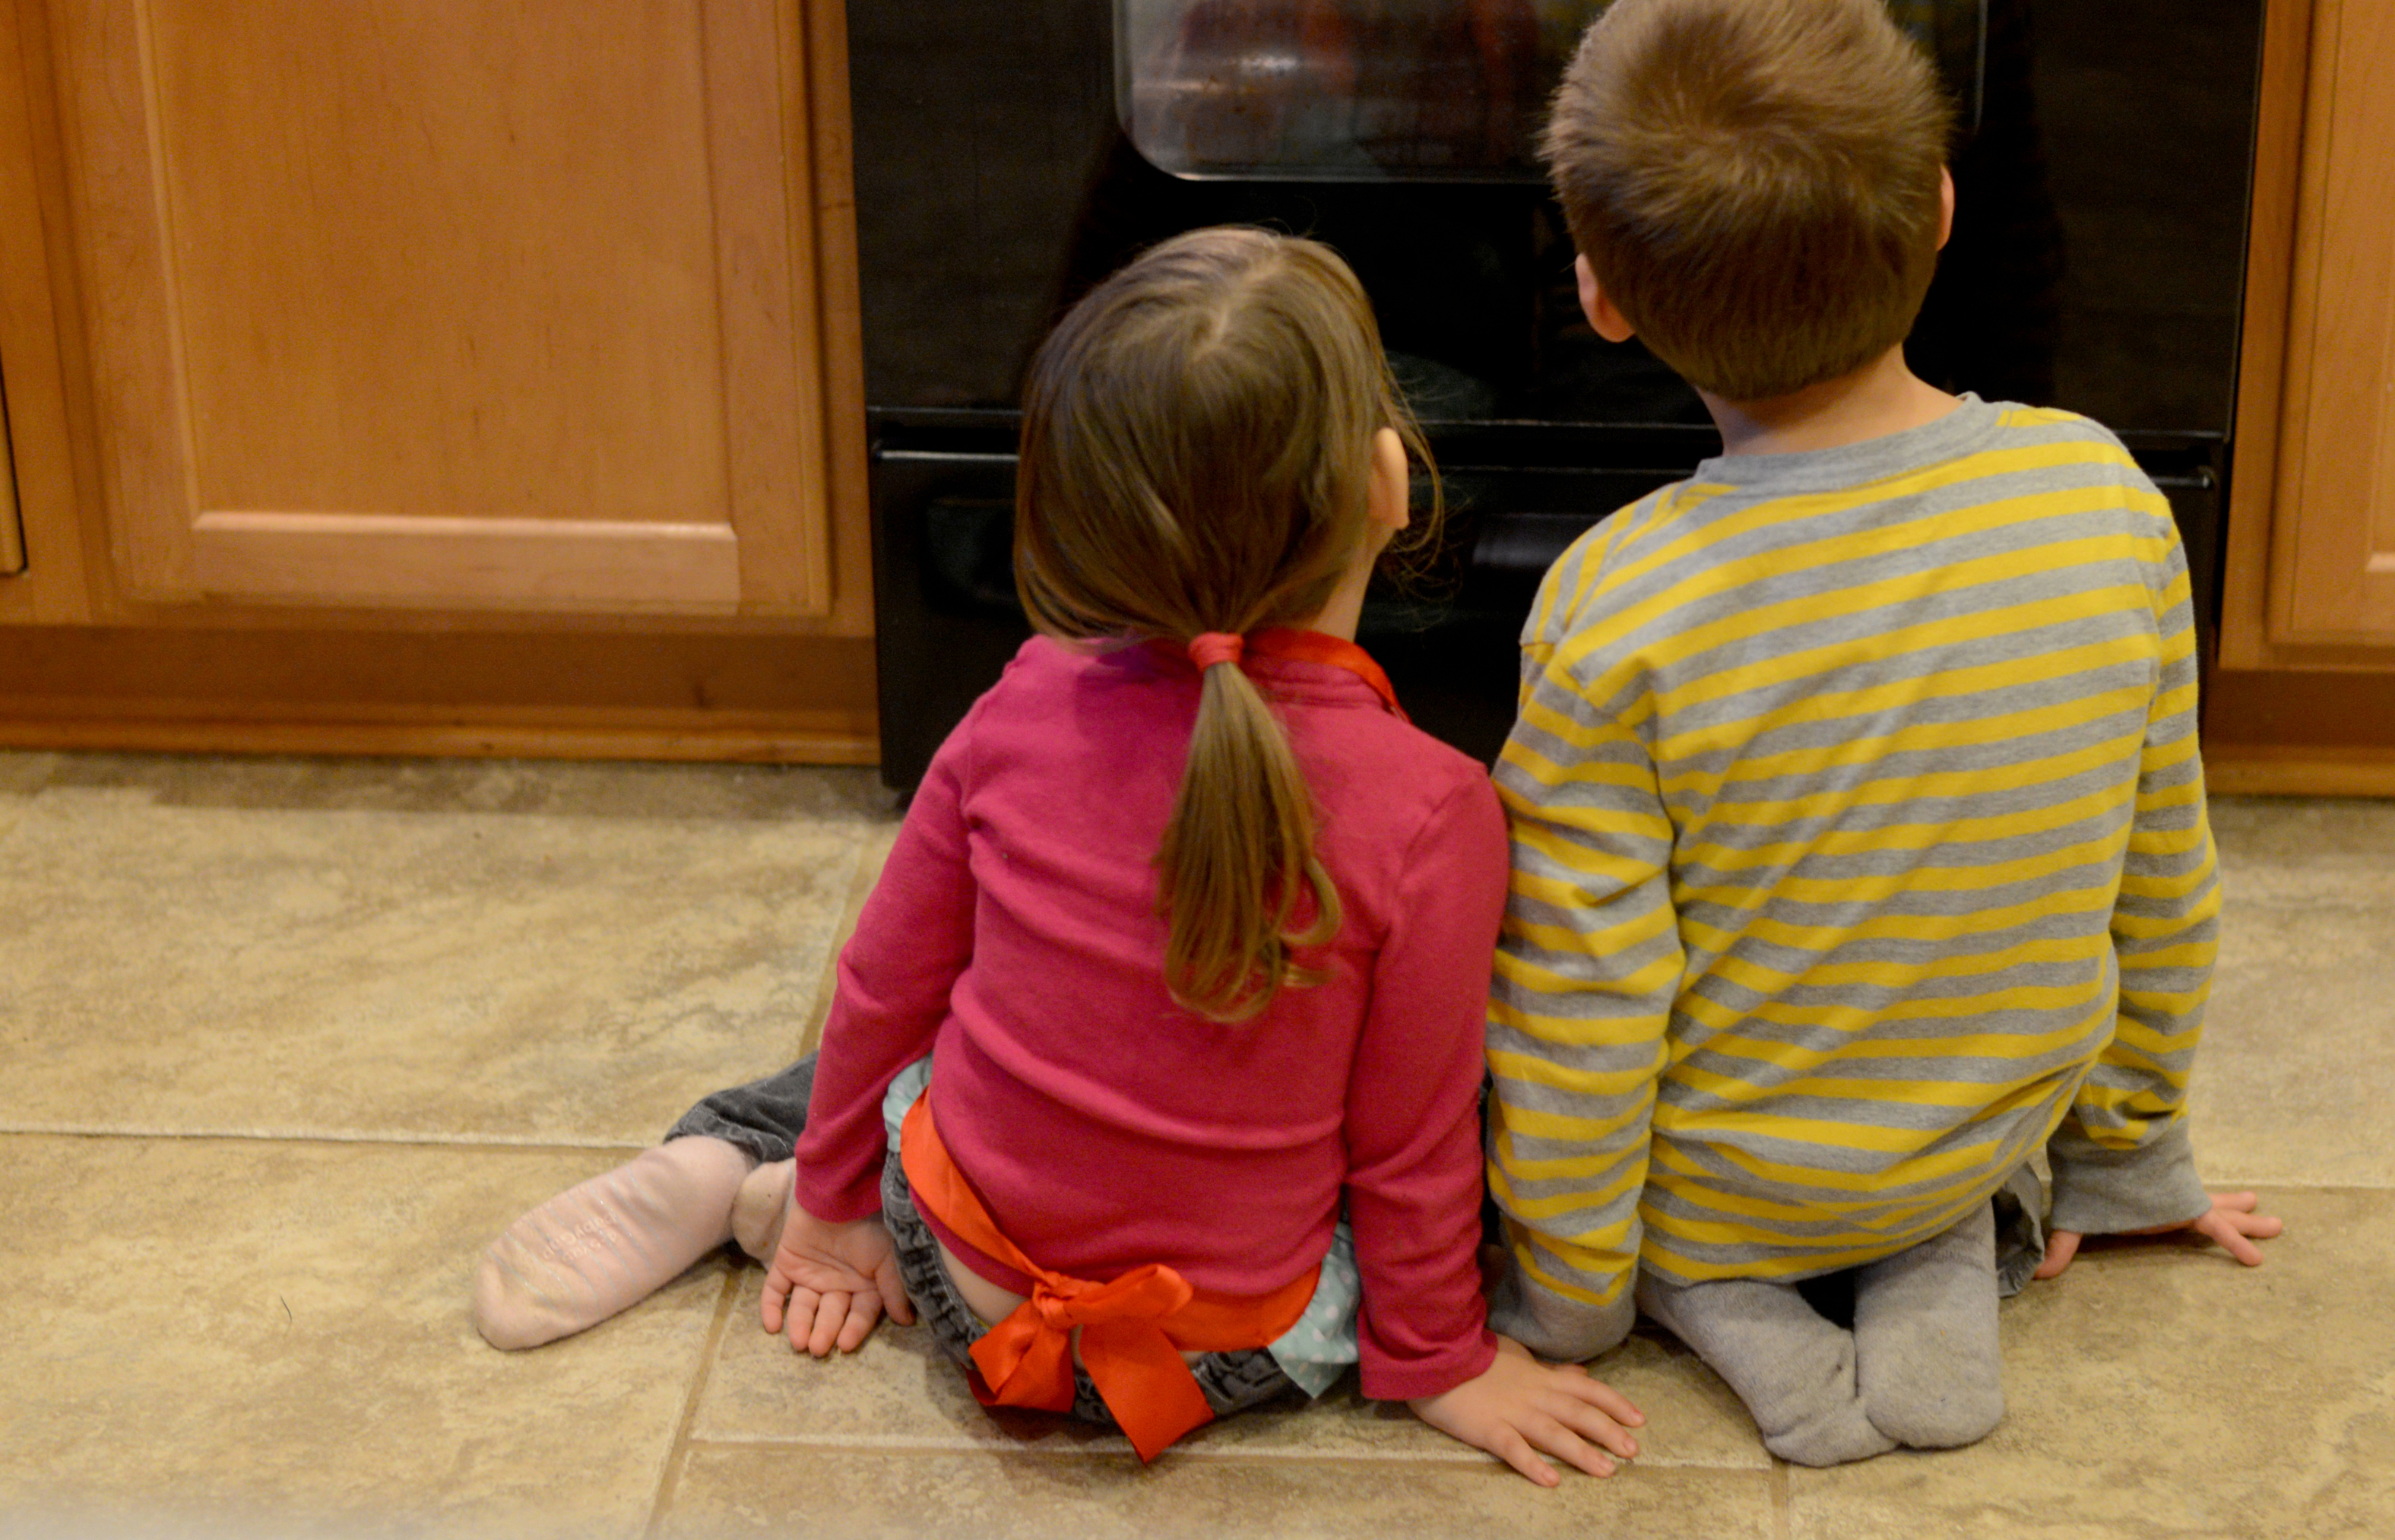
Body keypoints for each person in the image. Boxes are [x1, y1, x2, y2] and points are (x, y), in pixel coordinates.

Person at [474, 227, 1643, 1485]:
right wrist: (1440, 1357)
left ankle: (729, 1171)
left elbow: (885, 980)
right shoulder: (1438, 808)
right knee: (1465, 1083)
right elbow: (1405, 1144)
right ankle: (753, 1183)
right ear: (1388, 484)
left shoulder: (1024, 699)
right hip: (1222, 1354)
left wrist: (832, 1208)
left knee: (964, 1005)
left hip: (957, 1267)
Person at [1482, 0, 2278, 1467]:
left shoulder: (1615, 601)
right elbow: (2159, 879)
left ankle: (1715, 1289)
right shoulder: (2102, 501)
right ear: (1937, 208)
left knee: (1642, 1172)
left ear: (1597, 295)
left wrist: (1567, 1291)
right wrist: (2126, 1156)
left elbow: (1581, 992)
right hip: (1967, 1136)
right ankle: (1931, 1258)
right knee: (1933, 1171)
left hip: (1718, 1175)